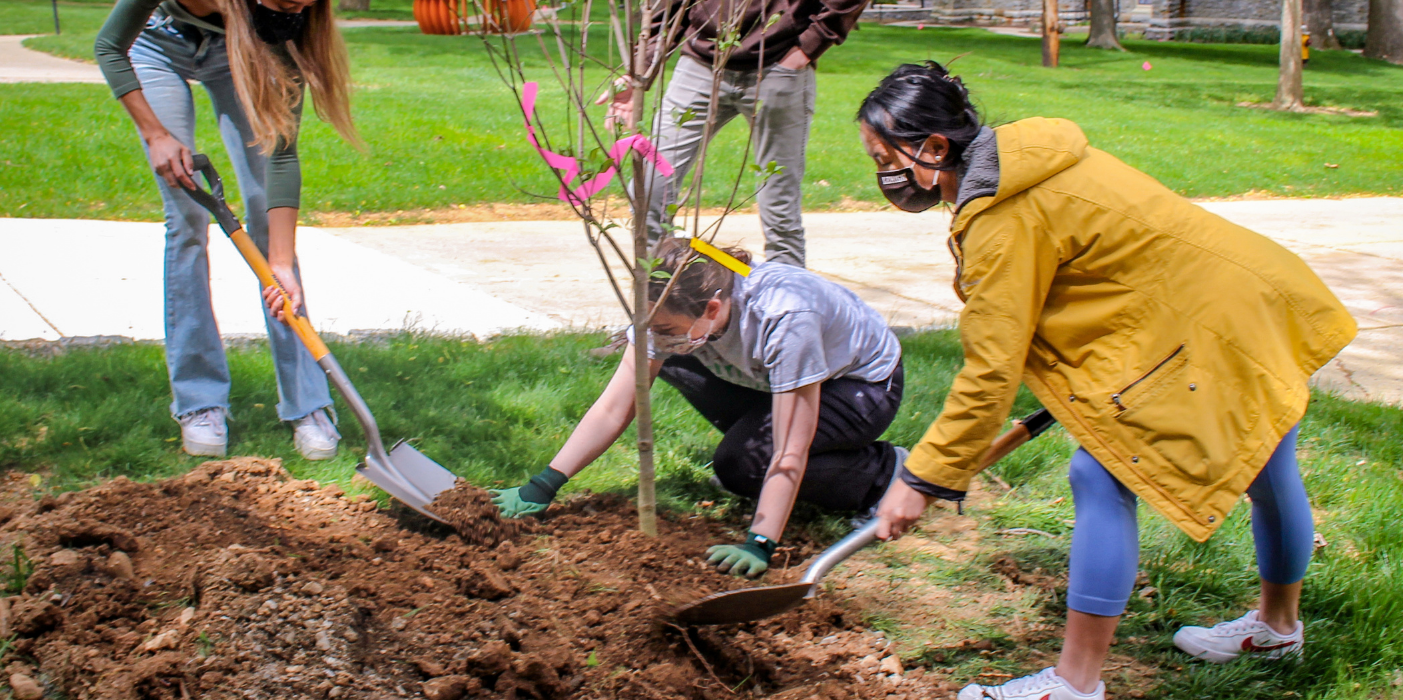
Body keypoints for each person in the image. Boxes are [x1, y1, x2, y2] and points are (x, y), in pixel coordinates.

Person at [857, 63, 1358, 700]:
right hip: (1248, 298)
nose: (884, 175)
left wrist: (922, 476)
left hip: (1216, 322)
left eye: (886, 156)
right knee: (1267, 462)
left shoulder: (1004, 220)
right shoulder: (1026, 160)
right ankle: (1278, 627)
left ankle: (1073, 683)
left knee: (1098, 474)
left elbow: (990, 372)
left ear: (934, 147)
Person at [490, 238, 905, 578]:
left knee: (742, 467)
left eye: (664, 329)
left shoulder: (785, 317)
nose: (655, 336)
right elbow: (615, 406)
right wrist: (544, 484)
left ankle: (884, 472)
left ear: (712, 308)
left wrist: (760, 542)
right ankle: (758, 437)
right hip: (768, 373)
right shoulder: (670, 298)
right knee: (672, 361)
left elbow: (789, 451)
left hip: (859, 386)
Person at [96, 0, 359, 460]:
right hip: (157, 42)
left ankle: (309, 403)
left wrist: (279, 262)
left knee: (265, 215)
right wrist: (156, 134)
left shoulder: (283, 23)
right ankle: (200, 402)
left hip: (244, 44)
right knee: (187, 218)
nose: (294, 9)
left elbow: (281, 154)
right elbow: (109, 46)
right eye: (283, 1)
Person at [603, 0, 871, 268]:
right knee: (648, 188)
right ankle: (669, 297)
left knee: (779, 206)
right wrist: (640, 68)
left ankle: (788, 302)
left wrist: (809, 46)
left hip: (780, 65)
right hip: (700, 65)